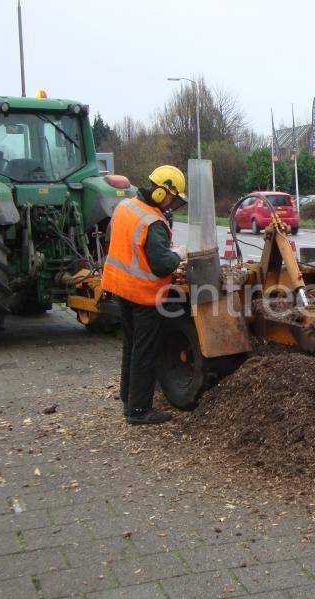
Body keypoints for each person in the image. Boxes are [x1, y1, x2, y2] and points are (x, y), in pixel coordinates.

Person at [101, 165, 188, 425]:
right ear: (161, 193)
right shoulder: (152, 221)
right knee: (145, 351)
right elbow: (162, 264)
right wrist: (177, 255)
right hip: (143, 294)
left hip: (120, 287)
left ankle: (128, 398)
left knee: (131, 346)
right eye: (172, 198)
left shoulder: (125, 207)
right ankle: (139, 410)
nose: (171, 204)